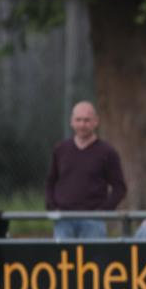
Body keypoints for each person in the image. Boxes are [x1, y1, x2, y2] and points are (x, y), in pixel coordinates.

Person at [45, 101, 127, 239]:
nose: (82, 125)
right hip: (64, 221)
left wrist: (102, 211)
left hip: (93, 222)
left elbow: (119, 187)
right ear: (71, 122)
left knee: (93, 260)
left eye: (87, 120)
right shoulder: (60, 150)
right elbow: (50, 181)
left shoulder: (107, 152)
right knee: (64, 259)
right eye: (78, 120)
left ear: (96, 122)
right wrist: (53, 207)